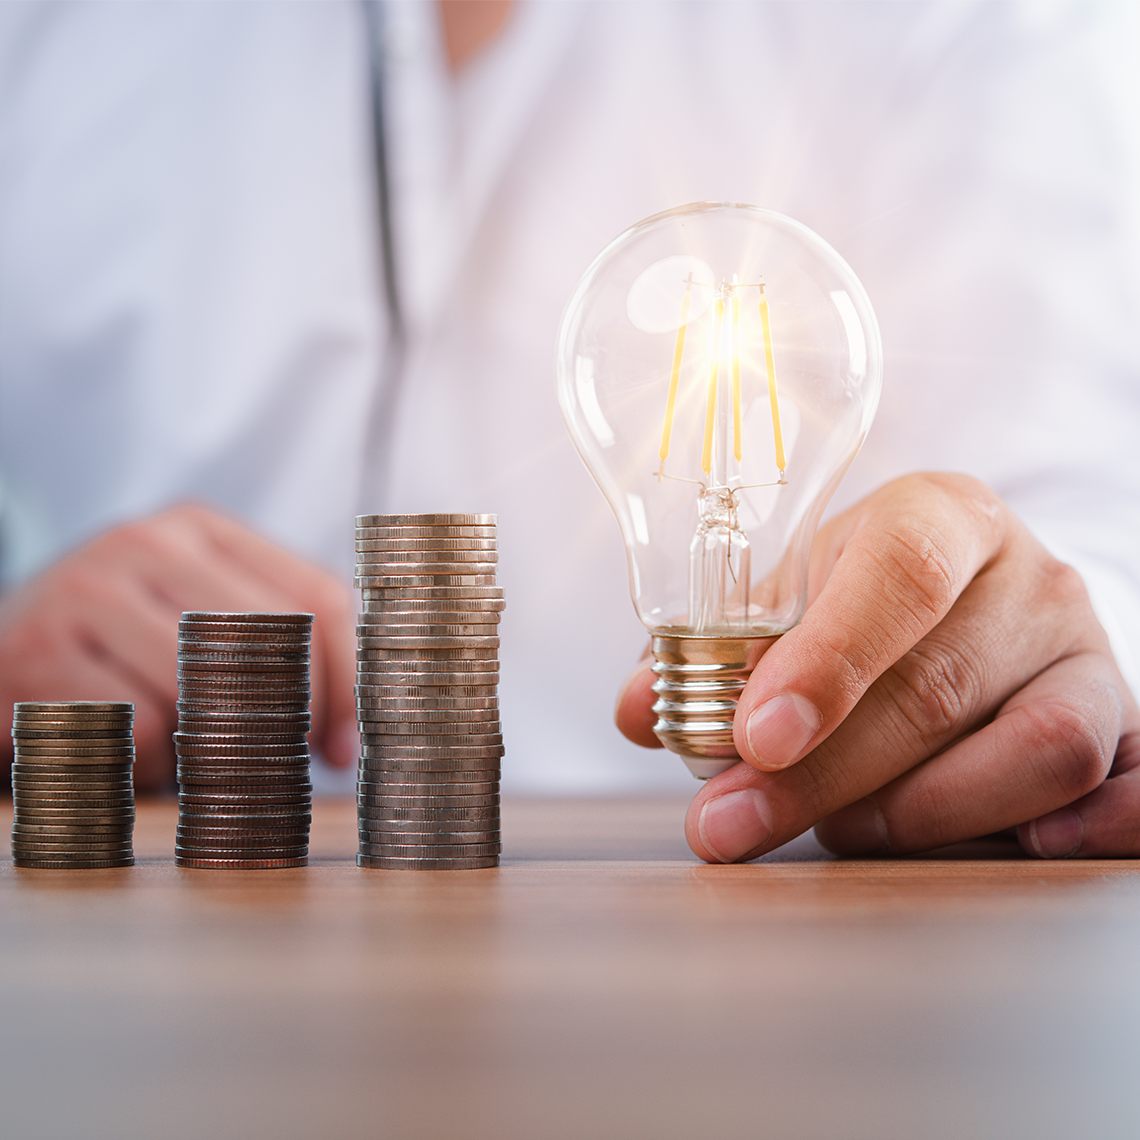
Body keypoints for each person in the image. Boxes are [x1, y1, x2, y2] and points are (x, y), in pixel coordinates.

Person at [0, 1, 1137, 858]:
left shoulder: (965, 25)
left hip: (779, 927)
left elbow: (1090, 551)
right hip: (177, 912)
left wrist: (1047, 655)